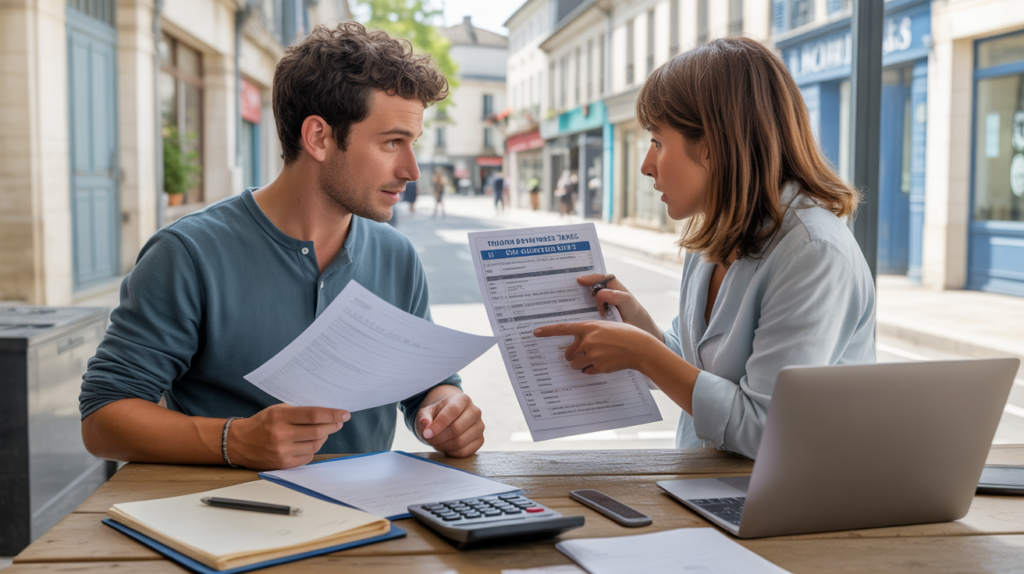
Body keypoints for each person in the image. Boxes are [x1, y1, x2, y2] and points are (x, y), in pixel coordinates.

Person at [79, 23, 485, 471]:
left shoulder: (397, 255)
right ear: (318, 137)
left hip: (373, 523)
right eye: (392, 142)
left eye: (413, 144)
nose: (412, 170)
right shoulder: (187, 254)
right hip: (224, 523)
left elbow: (424, 386)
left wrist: (446, 408)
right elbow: (102, 417)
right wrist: (233, 440)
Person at [533, 36, 875, 460]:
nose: (646, 165)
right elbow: (700, 369)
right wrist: (639, 326)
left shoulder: (813, 251)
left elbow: (763, 429)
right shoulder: (714, 232)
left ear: (710, 145)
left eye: (657, 142)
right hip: (706, 488)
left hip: (790, 505)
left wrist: (643, 353)